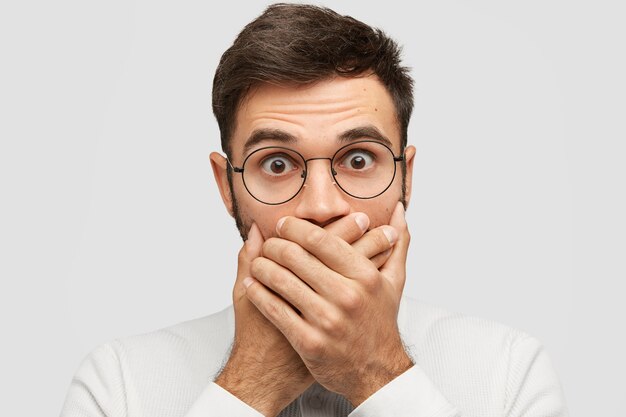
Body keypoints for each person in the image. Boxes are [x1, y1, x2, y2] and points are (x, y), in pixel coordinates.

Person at [60, 4, 568, 417]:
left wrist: (376, 371)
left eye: (359, 159)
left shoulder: (508, 372)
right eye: (277, 163)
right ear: (227, 186)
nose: (321, 207)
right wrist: (249, 385)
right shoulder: (118, 384)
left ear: (406, 177)